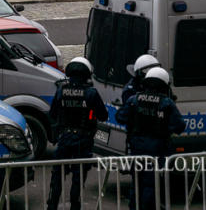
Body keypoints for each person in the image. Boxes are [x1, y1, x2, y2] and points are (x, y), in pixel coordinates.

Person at [116, 67, 185, 210]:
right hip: (157, 151)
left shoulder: (133, 100)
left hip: (137, 150)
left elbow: (120, 117)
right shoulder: (166, 103)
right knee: (150, 186)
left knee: (136, 184)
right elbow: (179, 126)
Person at [46, 57, 108, 210]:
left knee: (58, 174)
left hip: (64, 138)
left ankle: (52, 205)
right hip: (84, 139)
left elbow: (52, 114)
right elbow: (103, 116)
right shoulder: (91, 93)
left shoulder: (61, 90)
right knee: (78, 176)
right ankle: (75, 205)